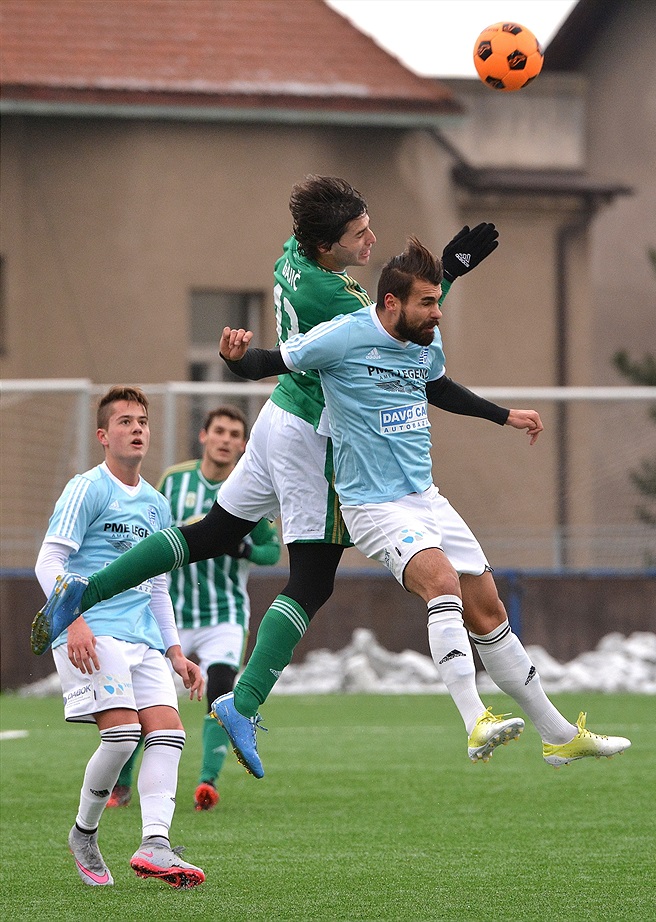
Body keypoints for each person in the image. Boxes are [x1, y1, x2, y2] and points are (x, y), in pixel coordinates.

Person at [32, 177, 515, 777]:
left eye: (367, 226)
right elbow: (395, 329)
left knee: (209, 533)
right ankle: (244, 703)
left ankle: (85, 590)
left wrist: (442, 268)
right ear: (323, 246)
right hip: (312, 433)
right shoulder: (337, 301)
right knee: (311, 581)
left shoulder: (292, 255)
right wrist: (448, 270)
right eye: (357, 234)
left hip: (279, 417)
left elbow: (381, 311)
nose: (371, 240)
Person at [212, 236, 631, 775]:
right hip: (372, 505)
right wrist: (233, 359)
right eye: (428, 303)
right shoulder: (342, 336)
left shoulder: (425, 340)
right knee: (441, 584)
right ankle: (475, 718)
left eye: (438, 300)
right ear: (390, 304)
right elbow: (273, 361)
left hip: (427, 498)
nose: (437, 313)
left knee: (490, 611)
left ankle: (556, 735)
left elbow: (440, 389)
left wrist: (506, 416)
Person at [33, 386, 206, 889]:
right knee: (123, 735)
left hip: (142, 639)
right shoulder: (86, 488)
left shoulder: (155, 504)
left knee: (169, 734)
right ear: (104, 436)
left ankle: (155, 844)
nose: (137, 429)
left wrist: (175, 650)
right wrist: (74, 621)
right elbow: (49, 561)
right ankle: (84, 832)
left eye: (143, 421)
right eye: (126, 421)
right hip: (90, 632)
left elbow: (156, 585)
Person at [106, 405, 280, 811]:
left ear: (242, 445)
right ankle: (121, 785)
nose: (226, 440)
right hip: (172, 616)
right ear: (204, 436)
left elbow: (273, 552)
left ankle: (207, 782)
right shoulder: (175, 481)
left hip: (225, 614)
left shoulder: (250, 485)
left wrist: (244, 546)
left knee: (220, 693)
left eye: (235, 435)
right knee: (145, 698)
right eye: (219, 431)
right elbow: (152, 529)